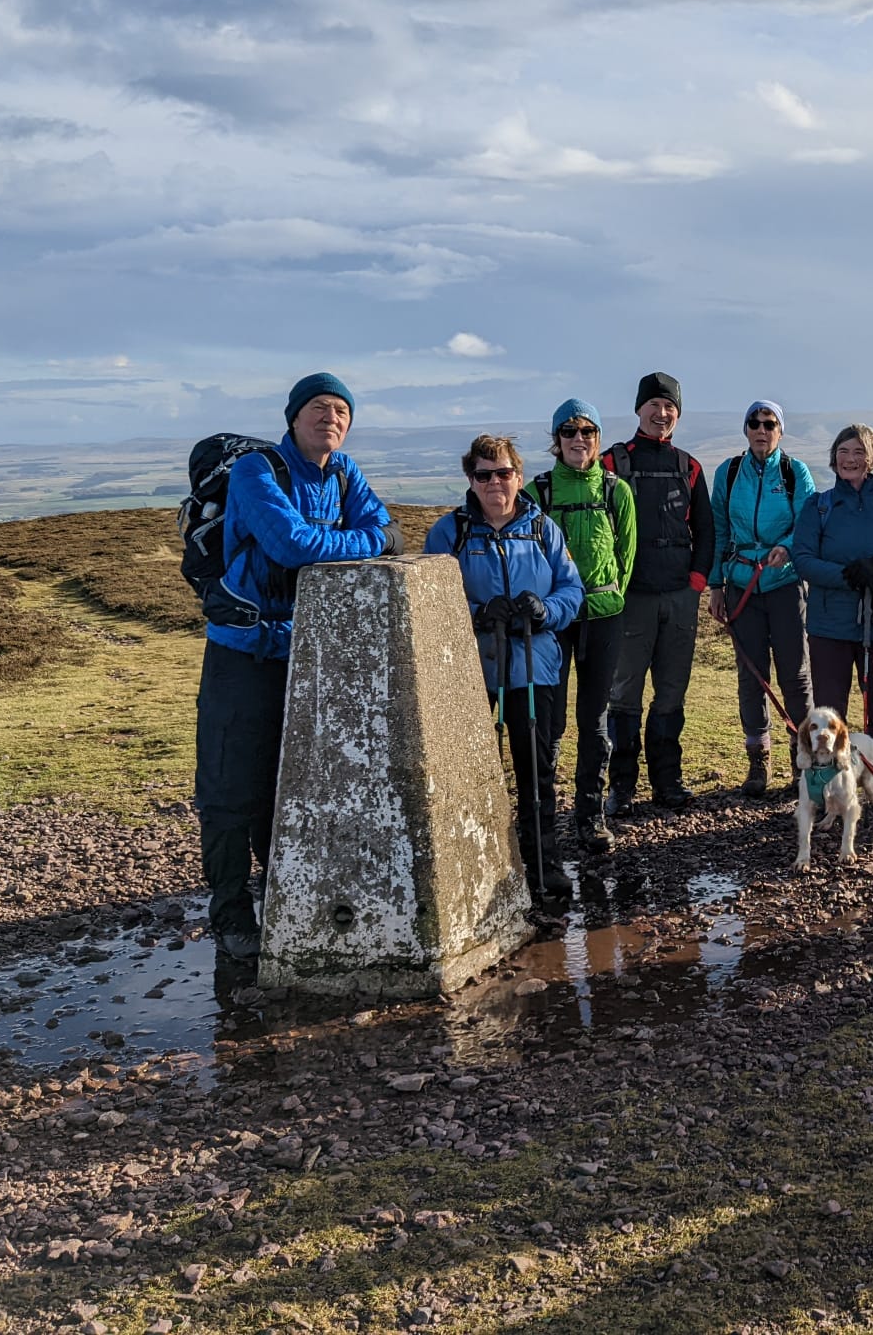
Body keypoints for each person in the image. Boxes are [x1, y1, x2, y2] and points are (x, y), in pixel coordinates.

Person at [194, 372, 396, 960]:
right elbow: (292, 545)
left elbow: (378, 520)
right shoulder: (259, 472)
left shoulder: (343, 471)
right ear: (292, 417)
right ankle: (231, 914)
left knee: (291, 785)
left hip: (307, 654)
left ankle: (283, 899)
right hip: (243, 652)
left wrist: (371, 534)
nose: (330, 417)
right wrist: (371, 541)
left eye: (340, 410)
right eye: (317, 407)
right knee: (232, 787)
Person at [425, 435, 586, 899]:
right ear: (470, 480)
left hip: (536, 668)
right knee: (475, 769)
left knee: (537, 769)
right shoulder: (450, 533)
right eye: (483, 474)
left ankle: (543, 861)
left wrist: (544, 610)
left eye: (502, 473)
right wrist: (475, 613)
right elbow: (432, 598)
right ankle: (478, 862)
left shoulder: (543, 529)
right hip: (474, 669)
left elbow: (570, 592)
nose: (494, 482)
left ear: (518, 475)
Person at [525, 399, 638, 855]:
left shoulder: (617, 492)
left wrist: (610, 597)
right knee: (550, 723)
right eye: (569, 432)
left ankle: (591, 817)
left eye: (587, 432)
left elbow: (627, 558)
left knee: (593, 721)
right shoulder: (538, 493)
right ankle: (544, 817)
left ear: (597, 438)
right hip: (553, 622)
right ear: (557, 440)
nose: (578, 439)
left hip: (605, 618)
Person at [600, 374, 714, 810]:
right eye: (654, 405)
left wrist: (696, 584)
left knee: (671, 692)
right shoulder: (612, 463)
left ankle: (668, 782)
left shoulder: (689, 466)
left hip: (678, 597)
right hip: (631, 599)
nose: (662, 414)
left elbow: (705, 528)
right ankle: (622, 787)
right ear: (639, 409)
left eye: (670, 407)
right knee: (624, 693)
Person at [792, 424, 873, 781]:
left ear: (872, 459)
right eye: (844, 452)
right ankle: (830, 777)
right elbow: (802, 558)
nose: (851, 459)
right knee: (830, 708)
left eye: (859, 452)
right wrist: (848, 576)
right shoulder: (817, 507)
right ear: (834, 458)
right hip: (830, 624)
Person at [708, 399, 817, 796]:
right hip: (741, 585)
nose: (761, 429)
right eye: (754, 423)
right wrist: (717, 585)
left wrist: (786, 548)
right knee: (751, 678)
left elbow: (806, 523)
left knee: (796, 676)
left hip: (784, 585)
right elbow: (719, 528)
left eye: (769, 423)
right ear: (746, 429)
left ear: (780, 430)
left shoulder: (794, 472)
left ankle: (801, 761)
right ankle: (758, 763)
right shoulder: (729, 472)